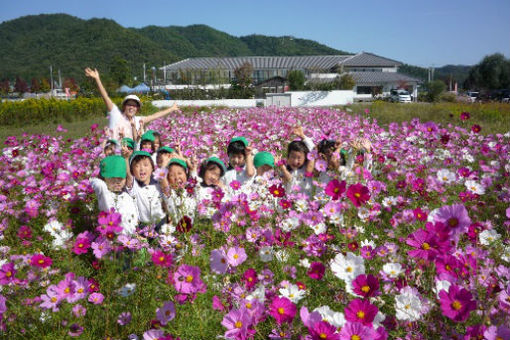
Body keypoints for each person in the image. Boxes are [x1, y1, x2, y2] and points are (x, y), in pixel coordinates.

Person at [85, 67, 179, 140]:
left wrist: (171, 109)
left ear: (137, 109)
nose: (131, 107)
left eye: (134, 105)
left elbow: (155, 115)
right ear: (124, 106)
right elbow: (105, 97)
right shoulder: (116, 115)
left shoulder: (138, 120)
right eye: (129, 105)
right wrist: (97, 79)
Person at [89, 155, 138, 235]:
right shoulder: (102, 193)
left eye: (121, 178)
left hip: (123, 240)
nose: (117, 182)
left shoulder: (127, 198)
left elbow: (133, 223)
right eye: (112, 178)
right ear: (103, 178)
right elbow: (97, 184)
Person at [123, 150, 166, 227]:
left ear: (152, 168)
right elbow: (129, 176)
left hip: (161, 223)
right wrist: (126, 159)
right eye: (137, 166)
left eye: (146, 165)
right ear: (132, 171)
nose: (142, 168)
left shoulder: (158, 184)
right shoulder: (135, 188)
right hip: (144, 227)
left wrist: (164, 164)